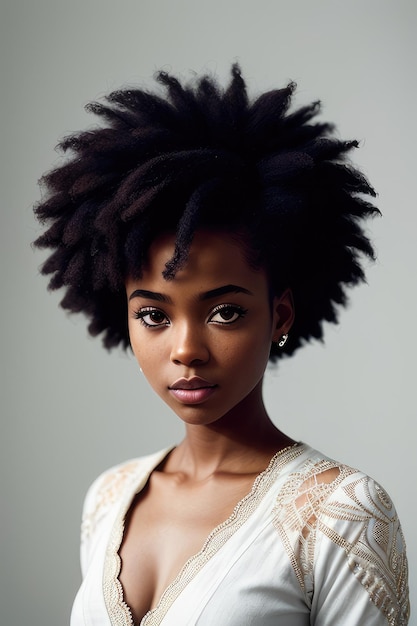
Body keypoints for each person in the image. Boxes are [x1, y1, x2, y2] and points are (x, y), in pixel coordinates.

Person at [34, 65, 409, 625]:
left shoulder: (341, 513)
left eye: (225, 312)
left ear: (278, 314)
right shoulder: (109, 497)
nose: (187, 349)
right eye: (154, 315)